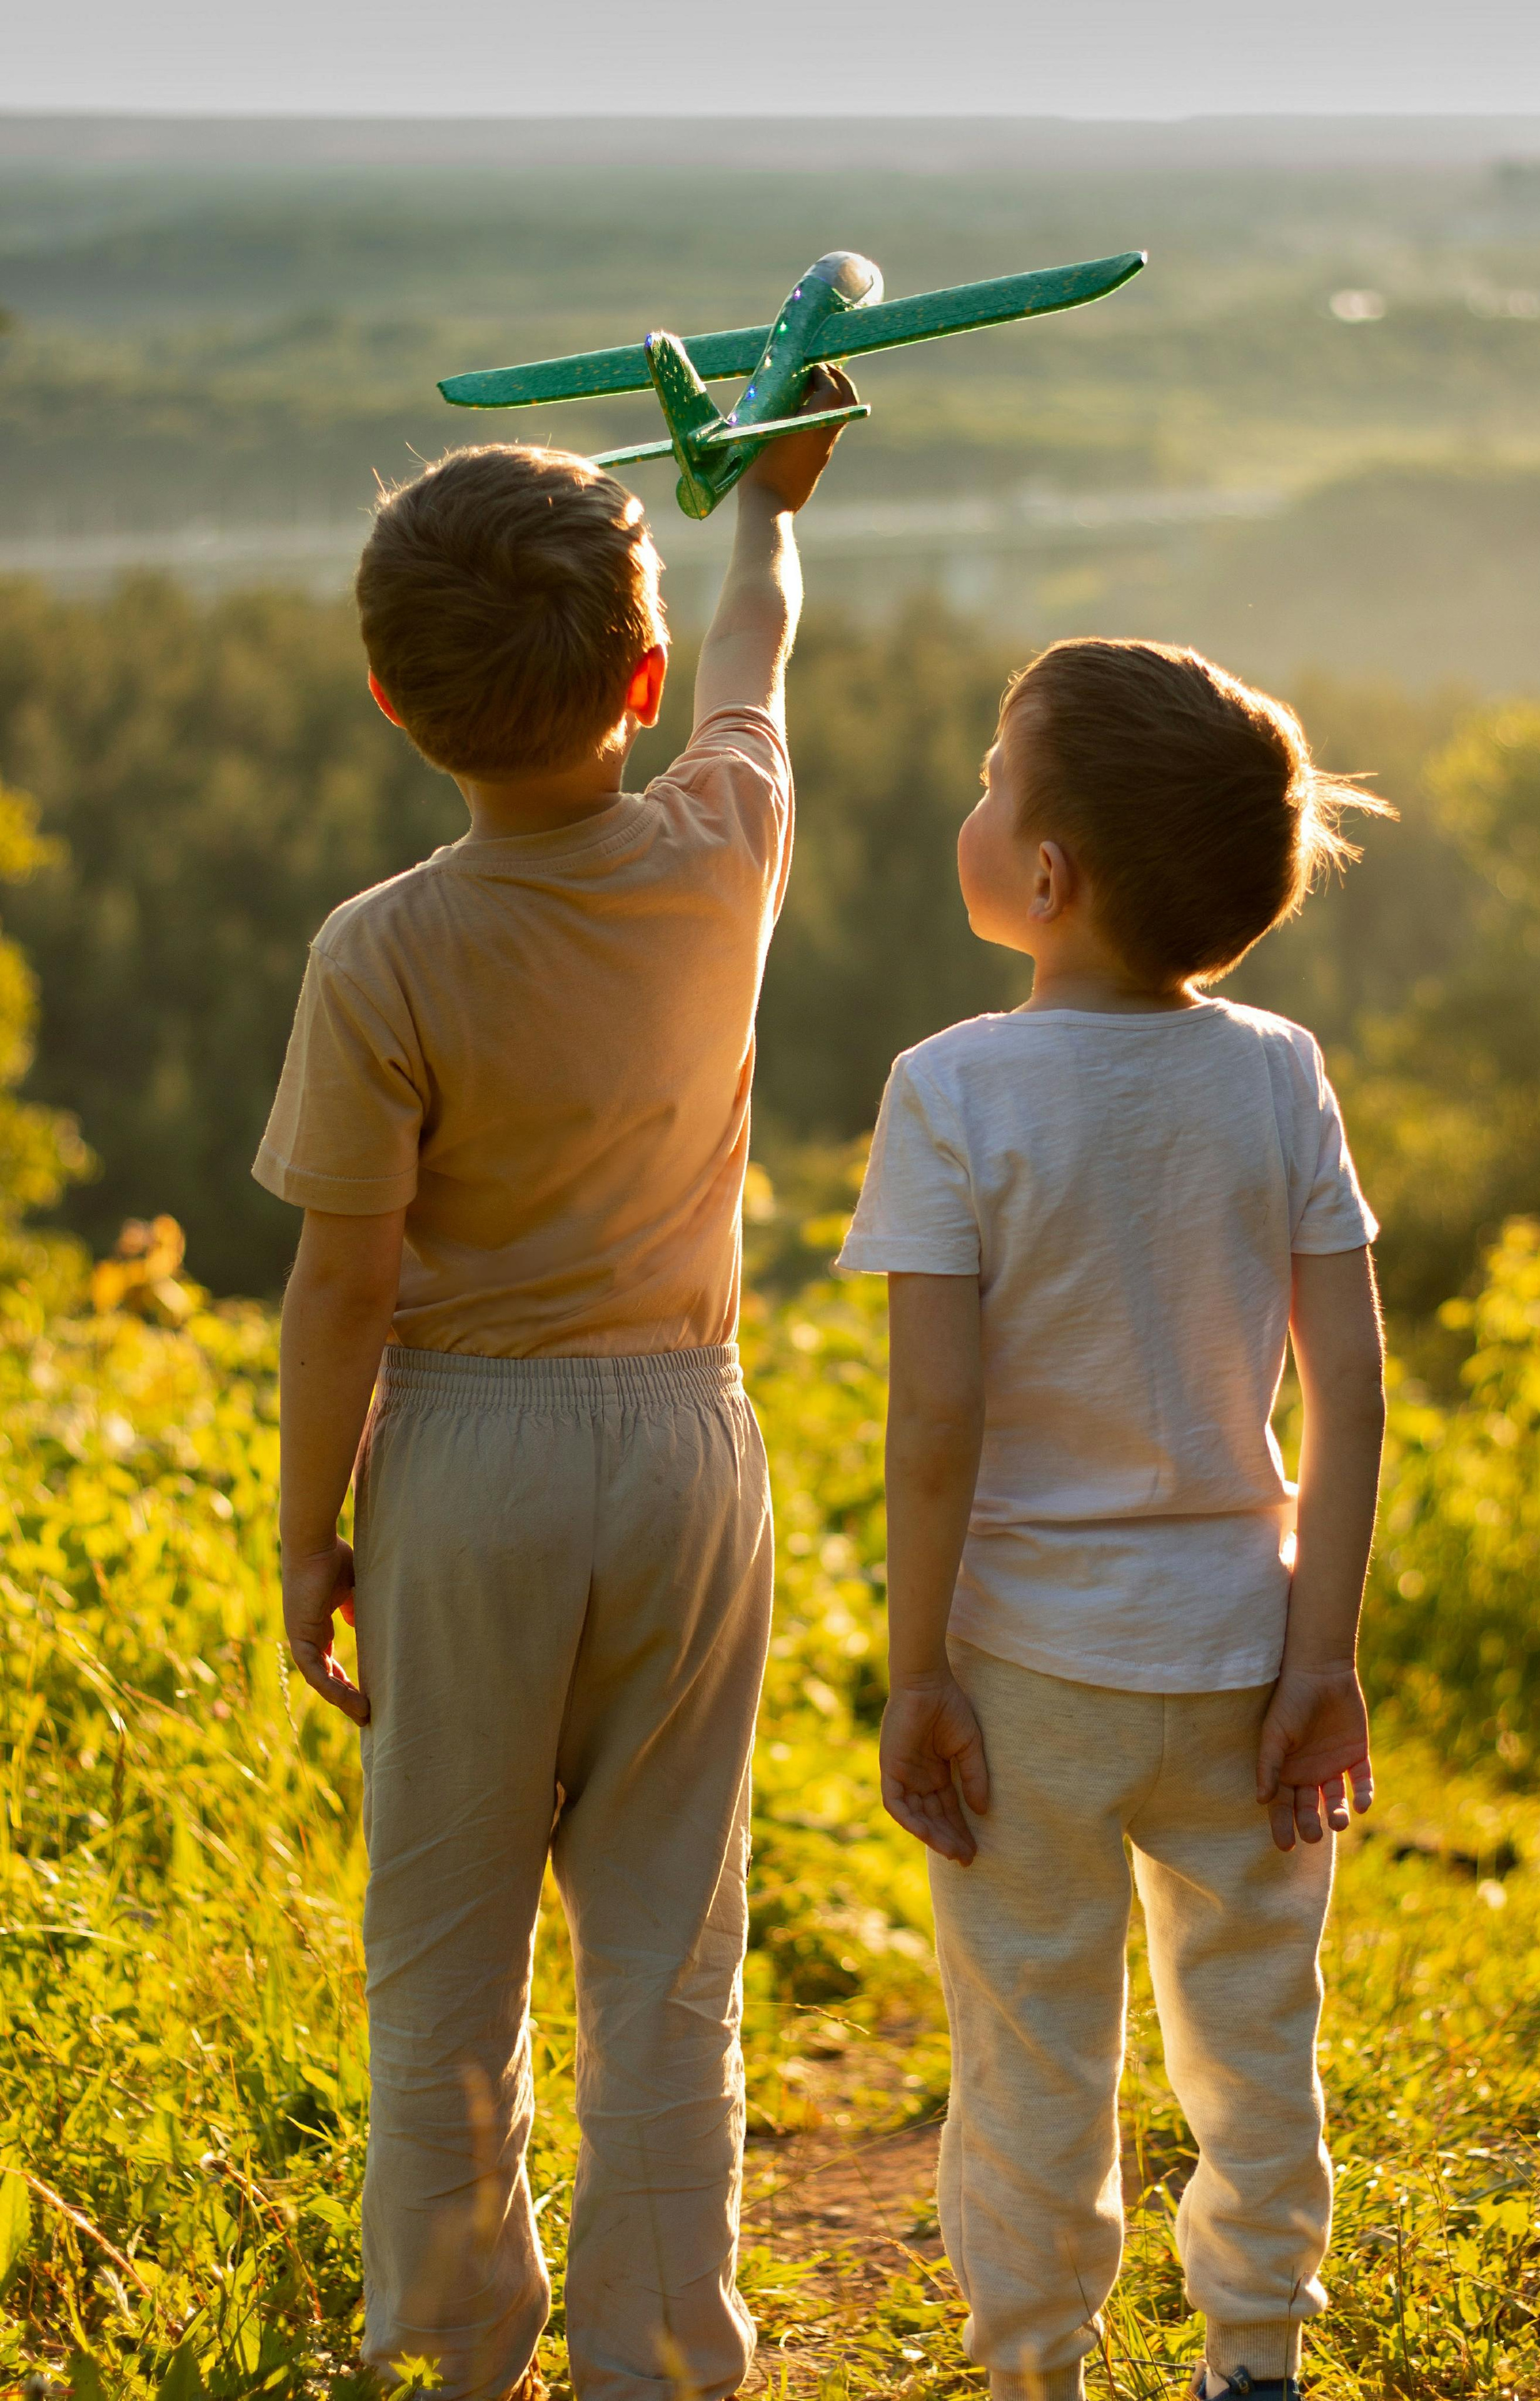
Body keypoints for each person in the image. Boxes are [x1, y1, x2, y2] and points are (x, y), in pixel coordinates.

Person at [253, 377, 854, 2401]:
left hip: (465, 1458)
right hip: (686, 1443)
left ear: (390, 701)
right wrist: (770, 502)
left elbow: (341, 1281)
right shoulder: (724, 850)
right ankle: (666, 2361)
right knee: (667, 1956)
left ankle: (449, 2343)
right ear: (641, 672)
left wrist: (304, 1541)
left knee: (442, 1955)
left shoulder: (380, 955)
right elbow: (760, 653)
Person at [837, 638, 1389, 2401]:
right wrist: (1326, 1655)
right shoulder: (1280, 1070)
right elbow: (1355, 1394)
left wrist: (914, 1671)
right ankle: (1254, 2360)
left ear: (1049, 874)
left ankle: (1035, 2368)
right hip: (1243, 1647)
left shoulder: (953, 1089)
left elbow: (938, 1426)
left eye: (996, 782)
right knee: (1253, 2038)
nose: (974, 807)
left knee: (1031, 2054)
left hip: (1029, 1676)